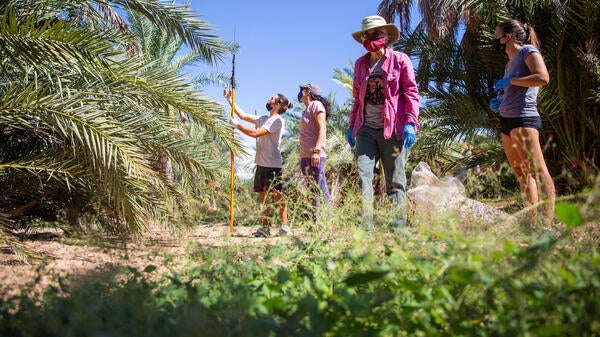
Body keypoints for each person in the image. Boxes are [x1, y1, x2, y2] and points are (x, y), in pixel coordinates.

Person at [347, 15, 420, 232]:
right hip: (366, 130)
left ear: (387, 36)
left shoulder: (400, 60)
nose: (371, 38)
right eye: (367, 35)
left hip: (393, 130)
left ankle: (398, 230)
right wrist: (352, 125)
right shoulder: (361, 64)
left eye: (376, 34)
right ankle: (366, 231)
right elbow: (357, 98)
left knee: (395, 182)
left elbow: (411, 92)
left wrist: (410, 122)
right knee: (364, 179)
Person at [490, 19, 556, 228]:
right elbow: (513, 88)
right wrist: (500, 100)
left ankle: (546, 228)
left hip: (524, 118)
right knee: (523, 176)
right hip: (506, 121)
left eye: (496, 35)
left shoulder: (528, 50)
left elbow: (542, 77)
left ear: (507, 36)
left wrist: (512, 81)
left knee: (538, 171)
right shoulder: (509, 64)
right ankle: (531, 226)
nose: (494, 40)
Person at [223, 89, 293, 237]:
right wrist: (229, 99)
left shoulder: (277, 121)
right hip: (261, 163)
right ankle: (265, 228)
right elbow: (242, 115)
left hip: (273, 165)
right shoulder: (263, 118)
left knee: (276, 195)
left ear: (278, 105)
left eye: (272, 98)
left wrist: (237, 126)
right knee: (263, 197)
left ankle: (285, 226)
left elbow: (255, 133)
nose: (269, 99)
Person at [297, 83, 332, 223]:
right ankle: (315, 225)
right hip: (305, 156)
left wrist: (317, 150)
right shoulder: (306, 110)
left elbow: (322, 129)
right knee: (312, 192)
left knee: (321, 188)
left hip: (315, 155)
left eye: (302, 90)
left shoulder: (316, 105)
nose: (299, 92)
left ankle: (327, 224)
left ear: (308, 92)